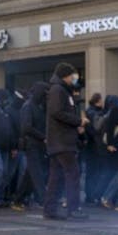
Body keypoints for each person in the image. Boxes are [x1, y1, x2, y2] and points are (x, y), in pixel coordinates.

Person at [42, 62, 87, 220]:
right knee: (73, 173)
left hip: (59, 141)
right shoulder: (58, 90)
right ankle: (73, 209)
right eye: (72, 76)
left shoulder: (61, 90)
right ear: (65, 76)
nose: (74, 79)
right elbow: (57, 112)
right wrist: (77, 121)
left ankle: (50, 209)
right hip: (62, 141)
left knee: (56, 176)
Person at [12, 80, 48, 210]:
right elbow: (26, 127)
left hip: (38, 145)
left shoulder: (39, 106)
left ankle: (18, 200)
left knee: (30, 174)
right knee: (37, 174)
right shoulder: (28, 106)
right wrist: (44, 137)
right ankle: (45, 201)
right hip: (31, 145)